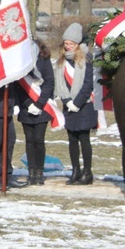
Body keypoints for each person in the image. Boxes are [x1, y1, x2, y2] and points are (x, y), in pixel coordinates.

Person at [54, 22, 97, 185]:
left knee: (83, 138)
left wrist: (77, 103)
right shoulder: (61, 60)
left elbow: (89, 84)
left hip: (84, 105)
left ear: (77, 44)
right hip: (68, 104)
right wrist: (66, 101)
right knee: (71, 138)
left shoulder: (87, 58)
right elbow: (60, 84)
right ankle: (75, 170)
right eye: (66, 44)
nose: (68, 46)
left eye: (71, 44)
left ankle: (87, 172)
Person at [16, 38, 55, 186]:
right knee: (29, 140)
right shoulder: (21, 63)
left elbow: (49, 82)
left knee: (39, 139)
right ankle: (31, 171)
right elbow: (18, 85)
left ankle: (40, 171)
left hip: (42, 107)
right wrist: (27, 104)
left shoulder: (44, 60)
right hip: (26, 107)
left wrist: (39, 104)